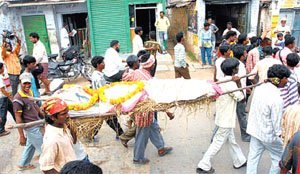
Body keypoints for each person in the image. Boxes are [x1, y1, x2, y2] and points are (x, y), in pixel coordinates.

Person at [196, 58, 247, 174]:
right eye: (237, 68)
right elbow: (242, 99)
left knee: (231, 140)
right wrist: (238, 83)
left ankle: (239, 160)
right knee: (218, 142)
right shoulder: (231, 84)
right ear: (234, 70)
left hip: (222, 117)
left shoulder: (222, 80)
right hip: (226, 119)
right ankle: (204, 164)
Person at [122, 55, 173, 164]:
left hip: (147, 110)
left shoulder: (138, 72)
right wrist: (167, 110)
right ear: (151, 65)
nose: (154, 65)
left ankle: (161, 147)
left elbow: (125, 78)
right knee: (142, 135)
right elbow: (153, 98)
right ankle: (138, 158)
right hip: (143, 111)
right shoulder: (145, 77)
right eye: (153, 63)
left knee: (154, 127)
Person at [246, 64, 291, 174]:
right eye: (286, 78)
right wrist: (283, 137)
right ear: (279, 79)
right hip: (268, 135)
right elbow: (277, 126)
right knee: (278, 159)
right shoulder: (277, 99)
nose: (287, 81)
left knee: (253, 157)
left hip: (255, 129)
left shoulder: (259, 88)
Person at [13, 72, 44, 171]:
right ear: (20, 83)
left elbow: (35, 106)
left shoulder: (29, 92)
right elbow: (18, 118)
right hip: (31, 127)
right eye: (24, 83)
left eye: (29, 83)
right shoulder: (17, 99)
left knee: (30, 145)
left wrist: (43, 116)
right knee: (45, 149)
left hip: (36, 122)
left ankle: (23, 164)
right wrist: (21, 136)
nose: (27, 85)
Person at [39, 98, 77, 174]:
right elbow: (46, 168)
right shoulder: (52, 140)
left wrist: (72, 127)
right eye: (63, 114)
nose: (67, 116)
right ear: (52, 117)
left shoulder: (63, 126)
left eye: (67, 112)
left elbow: (74, 141)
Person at [91, 56, 123, 140]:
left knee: (102, 118)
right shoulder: (97, 77)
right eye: (102, 63)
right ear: (98, 64)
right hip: (102, 99)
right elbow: (101, 89)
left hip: (101, 98)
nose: (104, 64)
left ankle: (92, 134)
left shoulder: (98, 74)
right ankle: (120, 133)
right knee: (109, 117)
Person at [232, 46, 251, 142]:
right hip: (238, 93)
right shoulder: (238, 65)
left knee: (229, 115)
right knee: (242, 115)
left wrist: (245, 88)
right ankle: (245, 135)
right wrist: (242, 92)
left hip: (238, 91)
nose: (246, 55)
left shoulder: (234, 63)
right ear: (241, 56)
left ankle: (216, 137)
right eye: (245, 53)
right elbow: (237, 80)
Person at [0, 62, 15, 137]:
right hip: (3, 97)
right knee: (3, 114)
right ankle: (1, 130)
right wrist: (9, 96)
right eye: (2, 67)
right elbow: (2, 89)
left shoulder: (1, 75)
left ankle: (19, 121)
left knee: (12, 108)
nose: (3, 69)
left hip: (4, 97)